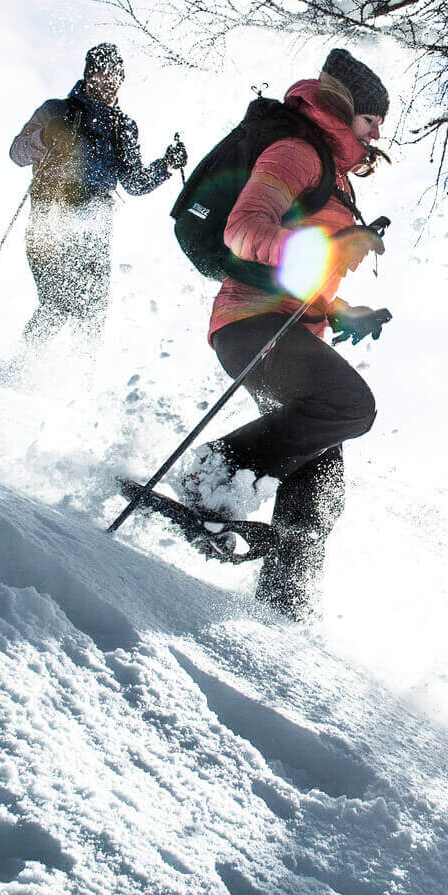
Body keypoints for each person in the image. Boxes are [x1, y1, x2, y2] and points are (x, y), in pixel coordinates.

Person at [185, 48, 393, 620]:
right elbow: (244, 229)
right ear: (343, 109)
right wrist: (333, 248)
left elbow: (304, 270)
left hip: (288, 325)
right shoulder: (296, 153)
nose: (377, 134)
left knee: (319, 487)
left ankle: (284, 610)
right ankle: (215, 473)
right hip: (252, 322)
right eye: (370, 120)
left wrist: (343, 310)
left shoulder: (333, 177)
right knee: (350, 404)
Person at [8, 43, 186, 355]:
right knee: (58, 300)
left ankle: (77, 385)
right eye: (103, 74)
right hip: (52, 214)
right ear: (89, 75)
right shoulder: (57, 111)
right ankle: (19, 367)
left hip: (95, 223)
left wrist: (166, 165)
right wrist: (45, 137)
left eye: (116, 76)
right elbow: (17, 152)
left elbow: (134, 182)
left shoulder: (123, 127)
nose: (110, 82)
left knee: (92, 311)